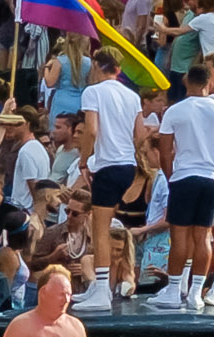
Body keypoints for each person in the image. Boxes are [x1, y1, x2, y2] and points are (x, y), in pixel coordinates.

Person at [151, 57, 214, 305]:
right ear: (209, 82)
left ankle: (174, 290)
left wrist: (171, 178)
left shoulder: (174, 111)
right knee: (203, 236)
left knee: (180, 237)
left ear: (186, 80)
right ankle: (197, 293)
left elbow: (164, 152)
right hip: (212, 179)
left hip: (184, 177)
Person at [76, 49, 147, 312]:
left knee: (100, 229)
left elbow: (91, 130)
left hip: (107, 165)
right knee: (101, 226)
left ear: (96, 65)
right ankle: (98, 288)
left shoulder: (92, 92)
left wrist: (84, 161)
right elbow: (140, 135)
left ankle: (102, 290)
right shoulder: (132, 95)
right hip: (127, 165)